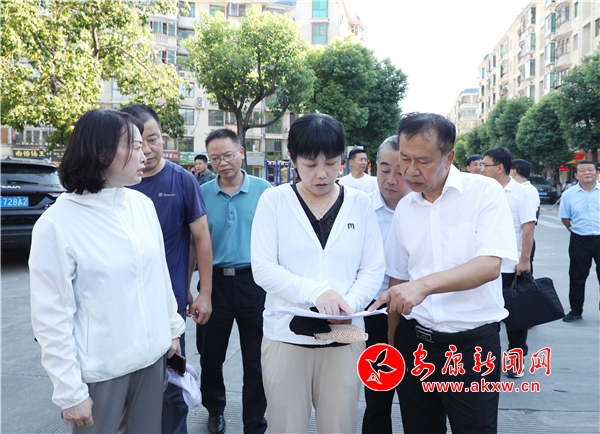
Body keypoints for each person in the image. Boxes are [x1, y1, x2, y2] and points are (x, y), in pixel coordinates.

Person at [29, 109, 185, 433]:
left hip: (151, 361)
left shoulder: (142, 206)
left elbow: (159, 277)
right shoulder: (57, 223)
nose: (145, 155)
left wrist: (172, 330)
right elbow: (51, 318)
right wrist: (70, 391)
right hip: (102, 372)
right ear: (102, 153)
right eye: (135, 146)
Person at [370, 113, 518, 434]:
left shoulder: (483, 193)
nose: (410, 170)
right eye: (405, 158)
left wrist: (423, 286)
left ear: (449, 157)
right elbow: (398, 278)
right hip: (416, 344)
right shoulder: (406, 208)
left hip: (471, 349)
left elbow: (489, 265)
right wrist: (393, 339)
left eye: (423, 161)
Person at [251, 113, 385, 433]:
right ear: (293, 159)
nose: (322, 174)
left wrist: (347, 306)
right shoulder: (274, 201)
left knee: (340, 426)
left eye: (332, 163)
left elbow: (372, 268)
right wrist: (317, 293)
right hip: (286, 339)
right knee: (286, 427)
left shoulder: (359, 203)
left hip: (344, 338)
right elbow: (263, 268)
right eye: (310, 164)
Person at [120, 105, 213, 434]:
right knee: (128, 389)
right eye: (137, 142)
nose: (147, 149)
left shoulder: (183, 180)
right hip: (123, 308)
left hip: (168, 307)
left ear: (163, 138)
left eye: (153, 138)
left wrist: (203, 292)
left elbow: (201, 237)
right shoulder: (117, 184)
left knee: (172, 388)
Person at [195, 128, 270, 434]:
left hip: (255, 284)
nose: (222, 163)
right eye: (215, 158)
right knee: (210, 356)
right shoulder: (201, 194)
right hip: (214, 284)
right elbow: (193, 242)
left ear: (241, 152)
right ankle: (215, 410)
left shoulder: (265, 191)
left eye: (227, 155)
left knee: (256, 359)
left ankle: (255, 422)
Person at [362, 135, 411, 434]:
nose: (391, 180)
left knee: (418, 399)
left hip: (417, 313)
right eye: (384, 170)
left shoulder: (425, 209)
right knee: (378, 396)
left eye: (400, 172)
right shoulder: (360, 209)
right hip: (375, 314)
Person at [482, 148, 537, 378]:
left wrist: (524, 260)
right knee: (488, 317)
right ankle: (489, 361)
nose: (481, 169)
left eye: (485, 165)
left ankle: (515, 361)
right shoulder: (484, 190)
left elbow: (528, 226)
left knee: (517, 319)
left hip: (512, 266)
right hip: (487, 266)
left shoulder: (521, 192)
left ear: (500, 167)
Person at [558, 160, 600, 322]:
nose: (587, 173)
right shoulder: (568, 195)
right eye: (582, 170)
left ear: (597, 172)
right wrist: (577, 231)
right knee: (577, 276)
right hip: (580, 239)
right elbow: (565, 218)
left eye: (590, 169)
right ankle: (576, 309)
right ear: (576, 175)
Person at [511, 158, 541, 272]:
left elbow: (530, 222)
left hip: (523, 242)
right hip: (522, 240)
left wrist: (524, 258)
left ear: (514, 172)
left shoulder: (525, 190)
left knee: (523, 279)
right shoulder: (524, 189)